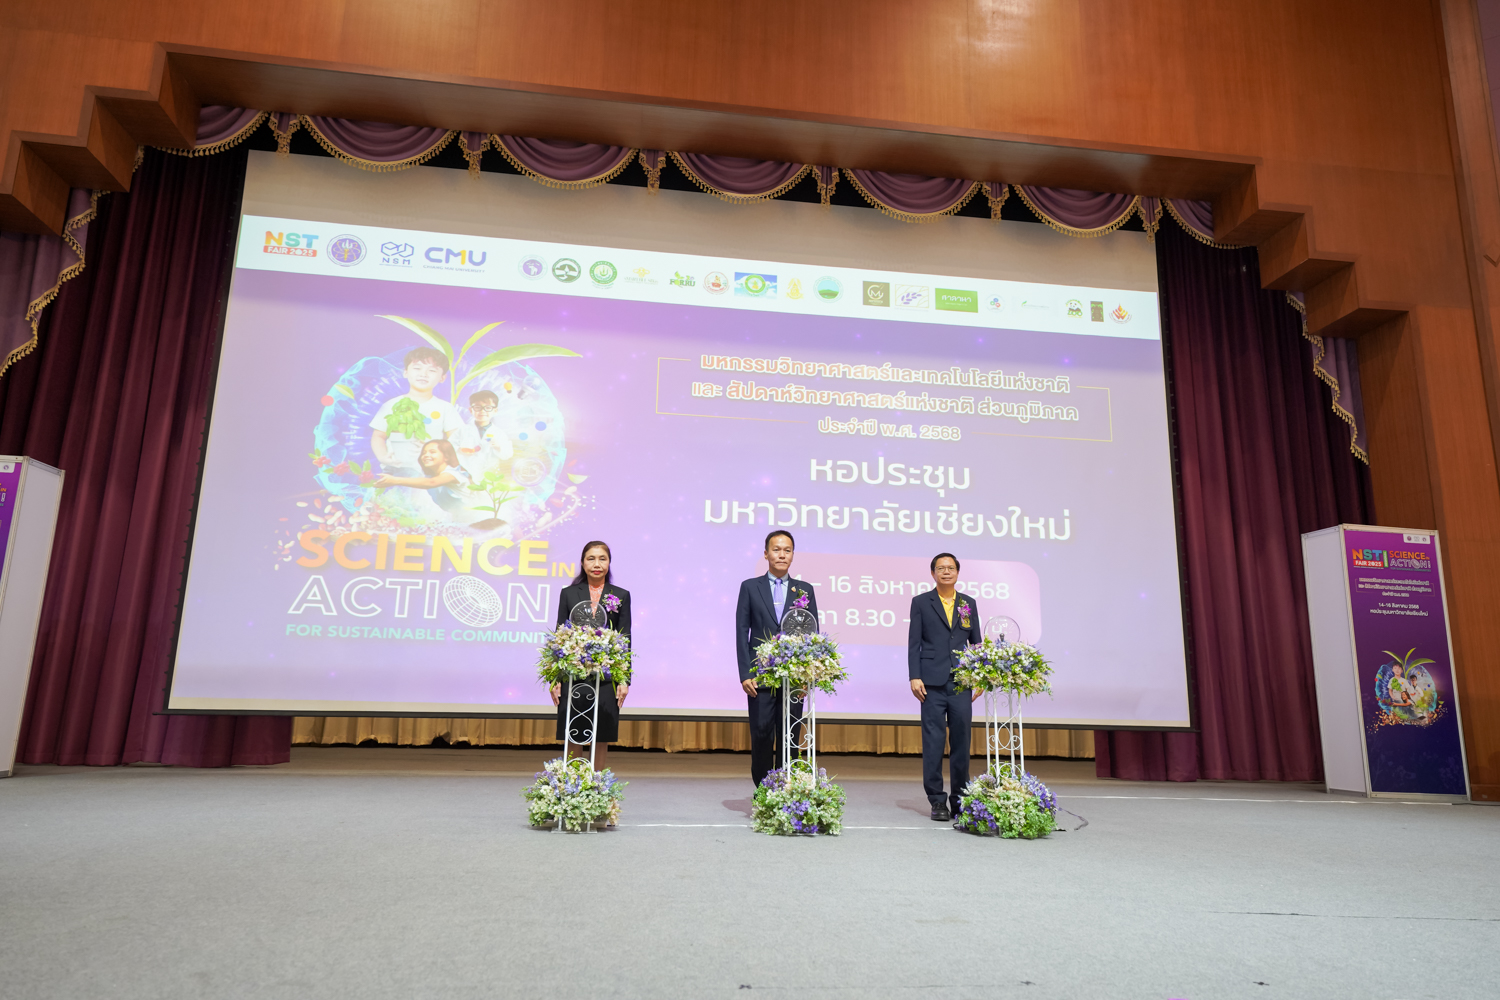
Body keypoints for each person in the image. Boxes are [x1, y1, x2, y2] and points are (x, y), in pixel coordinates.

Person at [735, 530, 819, 788]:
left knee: (790, 736)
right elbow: (741, 631)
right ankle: (763, 791)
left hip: (794, 678)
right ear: (766, 554)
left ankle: (786, 789)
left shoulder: (804, 589)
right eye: (776, 549)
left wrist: (807, 676)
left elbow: (812, 634)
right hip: (760, 676)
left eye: (787, 550)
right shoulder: (750, 587)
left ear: (793, 555)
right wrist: (745, 674)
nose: (782, 555)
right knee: (761, 735)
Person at [908, 552, 982, 822]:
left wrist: (979, 676)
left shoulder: (968, 603)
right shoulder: (921, 602)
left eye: (951, 568)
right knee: (934, 742)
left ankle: (960, 799)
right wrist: (914, 676)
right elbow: (914, 642)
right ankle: (937, 800)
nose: (946, 572)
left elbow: (976, 643)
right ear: (933, 573)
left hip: (961, 682)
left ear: (958, 573)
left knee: (961, 742)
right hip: (931, 683)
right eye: (941, 568)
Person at [552, 540, 631, 772]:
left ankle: (596, 785)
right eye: (591, 559)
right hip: (573, 672)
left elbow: (625, 638)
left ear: (609, 562)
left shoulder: (621, 595)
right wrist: (555, 678)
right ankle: (573, 783)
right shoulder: (568, 594)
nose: (597, 564)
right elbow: (560, 636)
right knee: (574, 730)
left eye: (602, 559)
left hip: (607, 674)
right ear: (583, 563)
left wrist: (624, 679)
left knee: (601, 732)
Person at [369, 347, 463, 475]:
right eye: (417, 368)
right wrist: (382, 457)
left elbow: (456, 438)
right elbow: (378, 436)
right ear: (405, 372)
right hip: (396, 468)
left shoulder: (445, 408)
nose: (423, 374)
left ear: (442, 378)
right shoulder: (391, 405)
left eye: (432, 370)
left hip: (432, 470)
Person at [370, 439, 479, 523]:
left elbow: (431, 483)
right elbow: (419, 478)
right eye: (424, 452)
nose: (426, 455)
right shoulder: (430, 475)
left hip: (475, 519)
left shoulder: (454, 474)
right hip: (459, 520)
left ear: (446, 456)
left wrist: (395, 480)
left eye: (432, 452)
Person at [454, 389, 514, 478]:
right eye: (477, 407)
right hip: (465, 475)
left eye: (488, 408)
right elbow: (450, 447)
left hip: (489, 476)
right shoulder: (462, 430)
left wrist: (498, 447)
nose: (482, 411)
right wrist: (460, 450)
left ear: (495, 410)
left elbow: (508, 454)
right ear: (470, 410)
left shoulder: (499, 433)